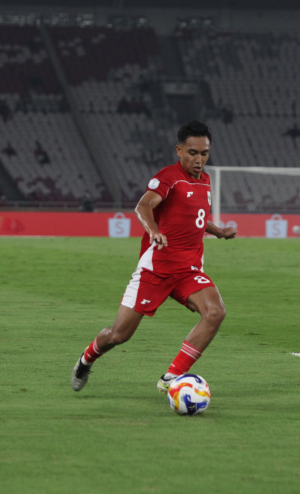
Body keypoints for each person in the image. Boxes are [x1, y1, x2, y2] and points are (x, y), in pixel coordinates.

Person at [71, 121, 237, 393]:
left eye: (204, 153)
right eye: (193, 153)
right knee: (118, 335)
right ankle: (86, 359)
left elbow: (194, 218)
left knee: (215, 312)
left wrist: (218, 232)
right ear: (179, 150)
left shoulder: (205, 180)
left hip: (188, 270)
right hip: (156, 270)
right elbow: (144, 205)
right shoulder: (169, 177)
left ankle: (171, 377)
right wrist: (153, 230)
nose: (199, 159)